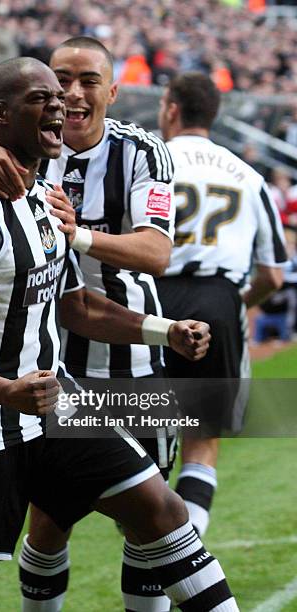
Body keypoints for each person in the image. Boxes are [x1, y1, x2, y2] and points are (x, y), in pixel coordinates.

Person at [0, 57, 239, 612]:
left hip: (56, 404)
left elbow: (77, 306)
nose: (60, 105)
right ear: (2, 117)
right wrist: (4, 390)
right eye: (44, 97)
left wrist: (164, 330)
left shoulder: (43, 199)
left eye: (63, 95)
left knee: (163, 512)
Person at [0, 36, 181, 612]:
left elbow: (156, 254)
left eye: (87, 81)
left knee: (149, 522)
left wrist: (75, 234)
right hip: (56, 364)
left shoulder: (141, 152)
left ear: (112, 90)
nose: (73, 95)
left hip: (131, 361)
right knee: (49, 522)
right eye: (61, 80)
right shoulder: (31, 139)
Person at [156, 72, 287, 538]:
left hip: (150, 302)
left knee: (140, 436)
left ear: (170, 108)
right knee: (202, 439)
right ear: (214, 114)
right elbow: (273, 273)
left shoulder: (147, 161)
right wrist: (237, 304)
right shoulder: (249, 176)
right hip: (217, 301)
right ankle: (186, 557)